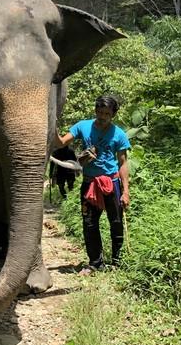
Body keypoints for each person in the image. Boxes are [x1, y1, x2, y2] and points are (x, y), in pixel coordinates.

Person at [54, 95, 131, 274]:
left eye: (107, 113)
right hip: (89, 183)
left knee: (116, 222)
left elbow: (123, 164)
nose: (102, 116)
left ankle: (117, 262)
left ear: (113, 115)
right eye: (100, 112)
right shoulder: (82, 126)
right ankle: (95, 263)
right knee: (89, 223)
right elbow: (61, 142)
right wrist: (53, 125)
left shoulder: (118, 134)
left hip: (111, 183)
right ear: (95, 110)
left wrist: (126, 191)